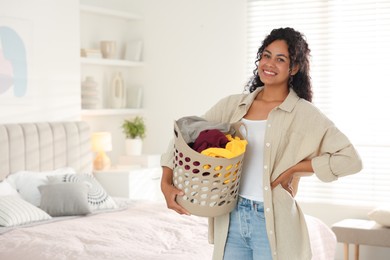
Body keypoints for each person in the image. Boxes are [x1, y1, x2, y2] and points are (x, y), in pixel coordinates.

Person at [160, 27, 362, 260]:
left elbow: (351, 160)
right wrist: (166, 182)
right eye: (266, 55)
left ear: (294, 68)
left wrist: (295, 169)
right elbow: (185, 135)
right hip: (231, 218)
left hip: (273, 223)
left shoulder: (305, 114)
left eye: (280, 59)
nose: (269, 63)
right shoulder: (233, 105)